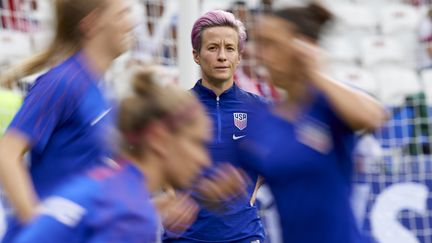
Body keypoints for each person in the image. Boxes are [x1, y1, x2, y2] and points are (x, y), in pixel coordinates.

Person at [238, 3, 387, 243]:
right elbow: (233, 180)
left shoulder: (327, 105)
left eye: (270, 43)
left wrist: (316, 73)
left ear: (302, 48)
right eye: (259, 43)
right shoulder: (263, 120)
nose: (259, 53)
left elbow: (374, 117)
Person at [13, 66, 211, 243]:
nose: (204, 159)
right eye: (196, 143)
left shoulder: (106, 185)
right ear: (158, 138)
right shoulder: (130, 216)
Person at [0, 0, 133, 240]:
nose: (130, 24)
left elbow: (89, 167)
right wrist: (37, 222)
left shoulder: (100, 89)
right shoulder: (63, 82)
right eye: (122, 15)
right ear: (92, 24)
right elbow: (7, 153)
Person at [164, 10, 265, 243]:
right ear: (196, 55)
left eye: (229, 48)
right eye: (212, 48)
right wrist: (170, 196)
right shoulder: (175, 108)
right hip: (185, 236)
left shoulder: (260, 108)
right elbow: (148, 154)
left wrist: (253, 191)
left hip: (244, 234)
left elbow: (281, 154)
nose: (222, 56)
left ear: (239, 56)